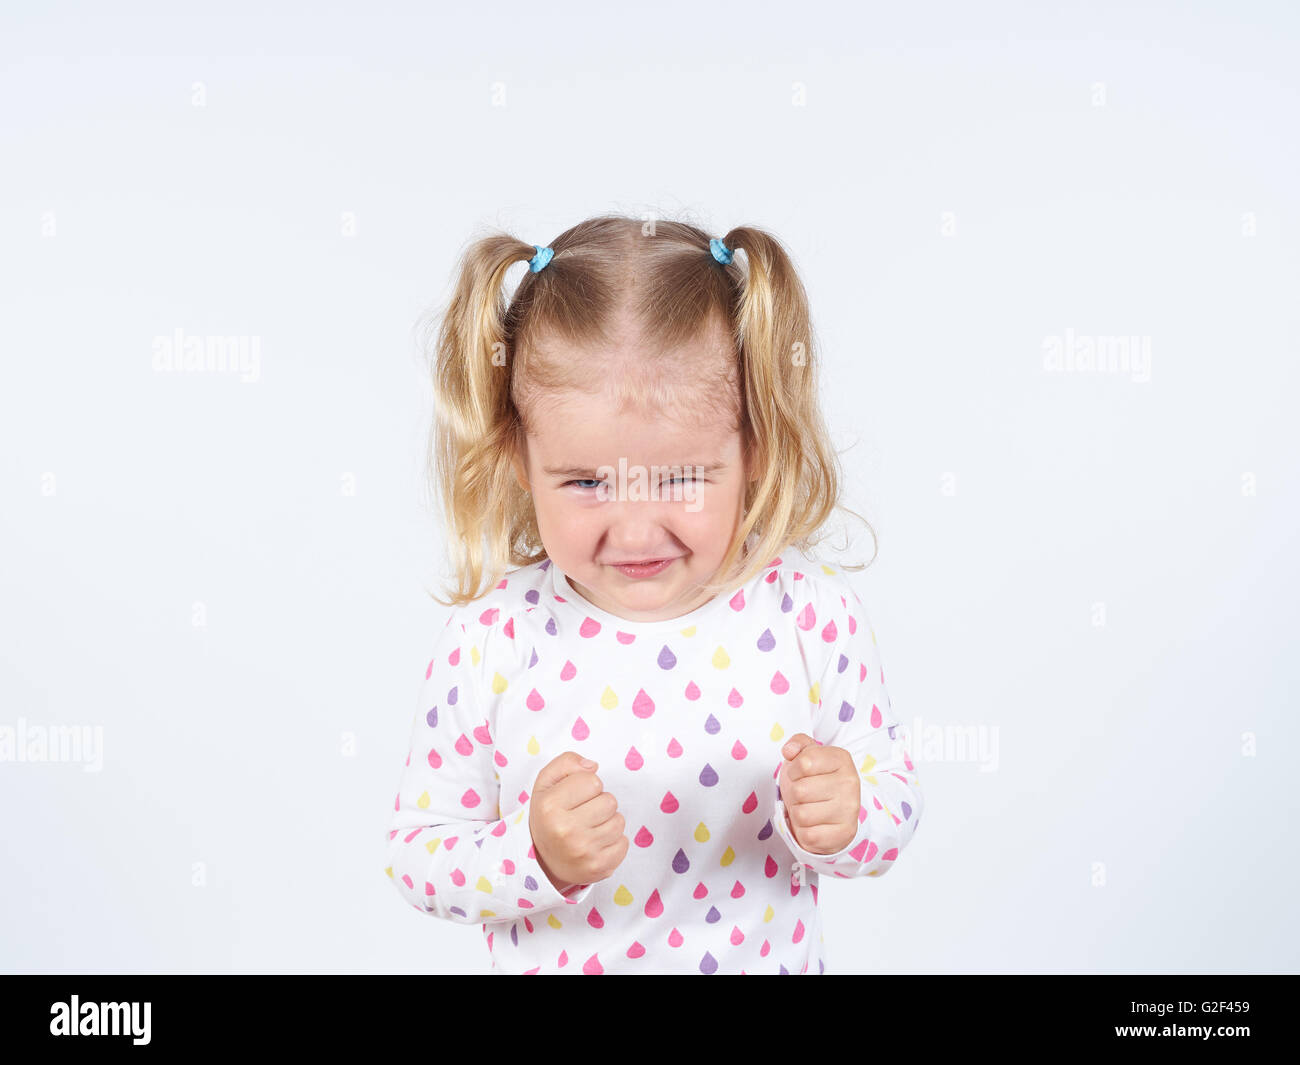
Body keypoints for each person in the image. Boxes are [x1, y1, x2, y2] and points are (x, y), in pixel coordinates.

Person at [383, 215, 923, 973]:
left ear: (755, 445)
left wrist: (851, 811)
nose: (635, 532)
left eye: (679, 477)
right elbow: (417, 854)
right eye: (586, 482)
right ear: (518, 457)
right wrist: (529, 850)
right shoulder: (495, 638)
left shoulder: (809, 612)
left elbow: (894, 800)